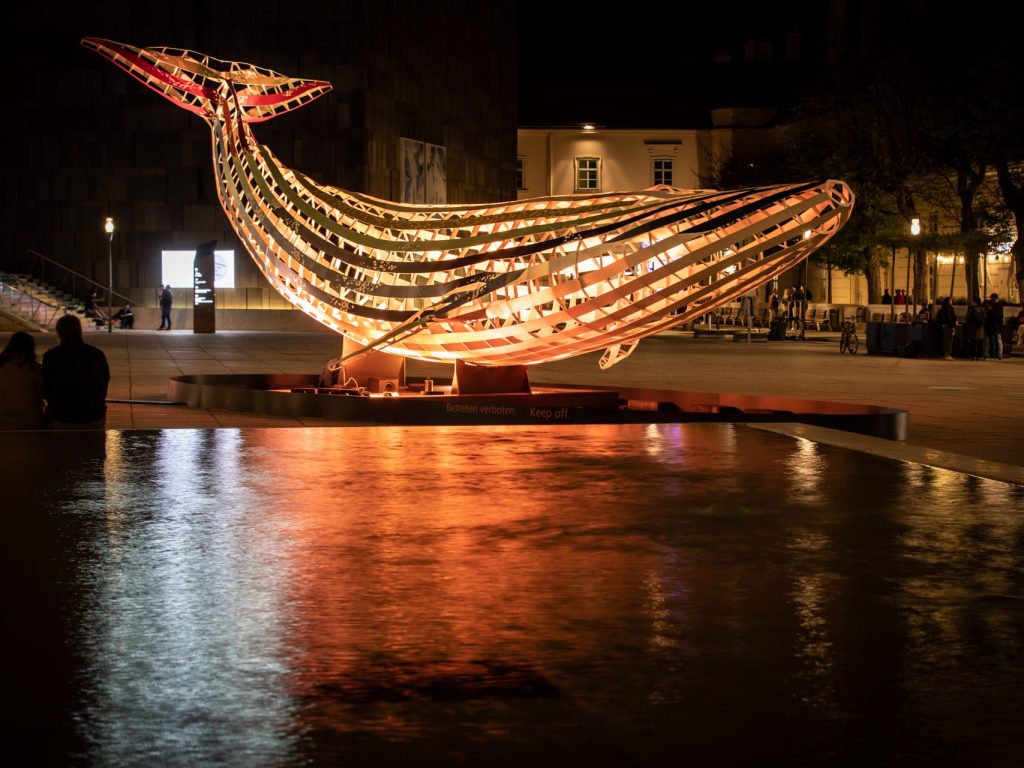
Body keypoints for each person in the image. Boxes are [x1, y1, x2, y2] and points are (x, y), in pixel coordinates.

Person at [42, 314, 110, 428]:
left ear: (59, 332)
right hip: (93, 415)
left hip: (62, 415)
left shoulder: (52, 356)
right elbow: (105, 381)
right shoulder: (96, 354)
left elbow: (46, 387)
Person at [0, 331, 46, 429]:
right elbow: (43, 392)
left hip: (3, 420)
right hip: (31, 421)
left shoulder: (2, 366)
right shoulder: (34, 368)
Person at [985, 292, 1004, 360]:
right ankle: (998, 354)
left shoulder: (997, 306)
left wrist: (990, 310)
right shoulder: (998, 305)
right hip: (996, 326)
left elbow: (994, 316)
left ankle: (998, 354)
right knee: (997, 340)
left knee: (997, 340)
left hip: (996, 326)